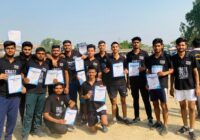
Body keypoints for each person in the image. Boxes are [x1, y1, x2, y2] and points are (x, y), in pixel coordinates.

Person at [170, 37, 200, 140]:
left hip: (190, 87)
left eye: (183, 45)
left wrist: (198, 86)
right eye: (179, 45)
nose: (181, 47)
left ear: (186, 46)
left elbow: (195, 72)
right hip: (179, 87)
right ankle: (185, 126)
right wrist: (171, 87)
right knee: (182, 107)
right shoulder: (173, 58)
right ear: (176, 46)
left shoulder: (191, 56)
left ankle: (191, 130)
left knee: (191, 108)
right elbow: (172, 74)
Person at [146, 38, 173, 135]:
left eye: (158, 46)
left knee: (164, 105)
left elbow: (172, 70)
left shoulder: (167, 57)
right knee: (155, 104)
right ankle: (158, 122)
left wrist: (164, 73)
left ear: (162, 46)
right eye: (155, 46)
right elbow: (148, 71)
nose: (157, 48)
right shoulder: (149, 58)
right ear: (153, 47)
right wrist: (147, 82)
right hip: (153, 85)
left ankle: (165, 125)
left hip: (162, 84)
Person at [0, 41, 26, 140]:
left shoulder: (19, 63)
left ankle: (8, 137)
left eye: (12, 48)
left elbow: (21, 76)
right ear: (5, 49)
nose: (10, 50)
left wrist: (22, 86)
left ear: (15, 49)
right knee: (0, 120)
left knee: (12, 120)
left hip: (15, 97)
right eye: (8, 48)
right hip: (2, 96)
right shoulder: (0, 61)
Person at [22, 47, 49, 140]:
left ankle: (36, 130)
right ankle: (25, 133)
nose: (40, 55)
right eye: (39, 53)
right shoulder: (30, 63)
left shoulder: (47, 64)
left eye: (42, 53)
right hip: (31, 92)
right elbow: (22, 73)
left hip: (42, 92)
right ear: (35, 54)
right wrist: (24, 79)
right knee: (29, 114)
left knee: (38, 113)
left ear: (45, 55)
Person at [126, 37, 153, 125]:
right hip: (133, 81)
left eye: (137, 42)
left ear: (140, 43)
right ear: (132, 44)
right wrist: (128, 81)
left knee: (146, 100)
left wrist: (144, 68)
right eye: (134, 42)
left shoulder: (144, 53)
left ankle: (150, 117)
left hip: (143, 80)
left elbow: (149, 67)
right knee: (135, 100)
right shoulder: (129, 55)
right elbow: (128, 69)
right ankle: (136, 117)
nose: (136, 44)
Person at [95, 40, 123, 121]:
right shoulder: (96, 56)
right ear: (98, 46)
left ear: (105, 46)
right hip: (99, 81)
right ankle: (99, 116)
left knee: (113, 99)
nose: (101, 47)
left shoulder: (110, 56)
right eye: (100, 45)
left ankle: (117, 115)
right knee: (99, 99)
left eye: (103, 45)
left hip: (110, 81)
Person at [105, 41, 131, 124]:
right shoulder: (108, 59)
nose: (115, 48)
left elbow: (127, 69)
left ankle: (125, 117)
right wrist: (106, 70)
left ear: (118, 48)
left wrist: (126, 71)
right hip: (112, 84)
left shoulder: (123, 58)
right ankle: (114, 118)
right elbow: (106, 69)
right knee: (114, 102)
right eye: (113, 47)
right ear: (111, 48)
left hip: (122, 83)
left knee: (123, 101)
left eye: (116, 46)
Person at [81, 66, 108, 133]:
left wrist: (102, 88)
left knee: (105, 122)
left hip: (100, 105)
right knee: (92, 131)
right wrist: (85, 96)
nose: (91, 74)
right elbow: (81, 97)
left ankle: (103, 123)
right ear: (87, 73)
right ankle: (97, 119)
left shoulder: (100, 82)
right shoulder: (84, 84)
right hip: (90, 106)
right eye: (89, 72)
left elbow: (104, 92)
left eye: (93, 72)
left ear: (96, 73)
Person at [16, 41, 33, 123]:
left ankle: (31, 121)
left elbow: (45, 55)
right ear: (22, 49)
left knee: (31, 104)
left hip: (32, 85)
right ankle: (23, 120)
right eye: (25, 49)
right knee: (22, 104)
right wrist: (20, 75)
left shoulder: (34, 57)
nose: (27, 51)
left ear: (31, 50)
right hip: (20, 85)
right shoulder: (17, 59)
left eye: (29, 49)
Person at [190, 38, 200, 119]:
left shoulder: (190, 53)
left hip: (195, 76)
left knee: (197, 94)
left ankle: (199, 112)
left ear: (193, 45)